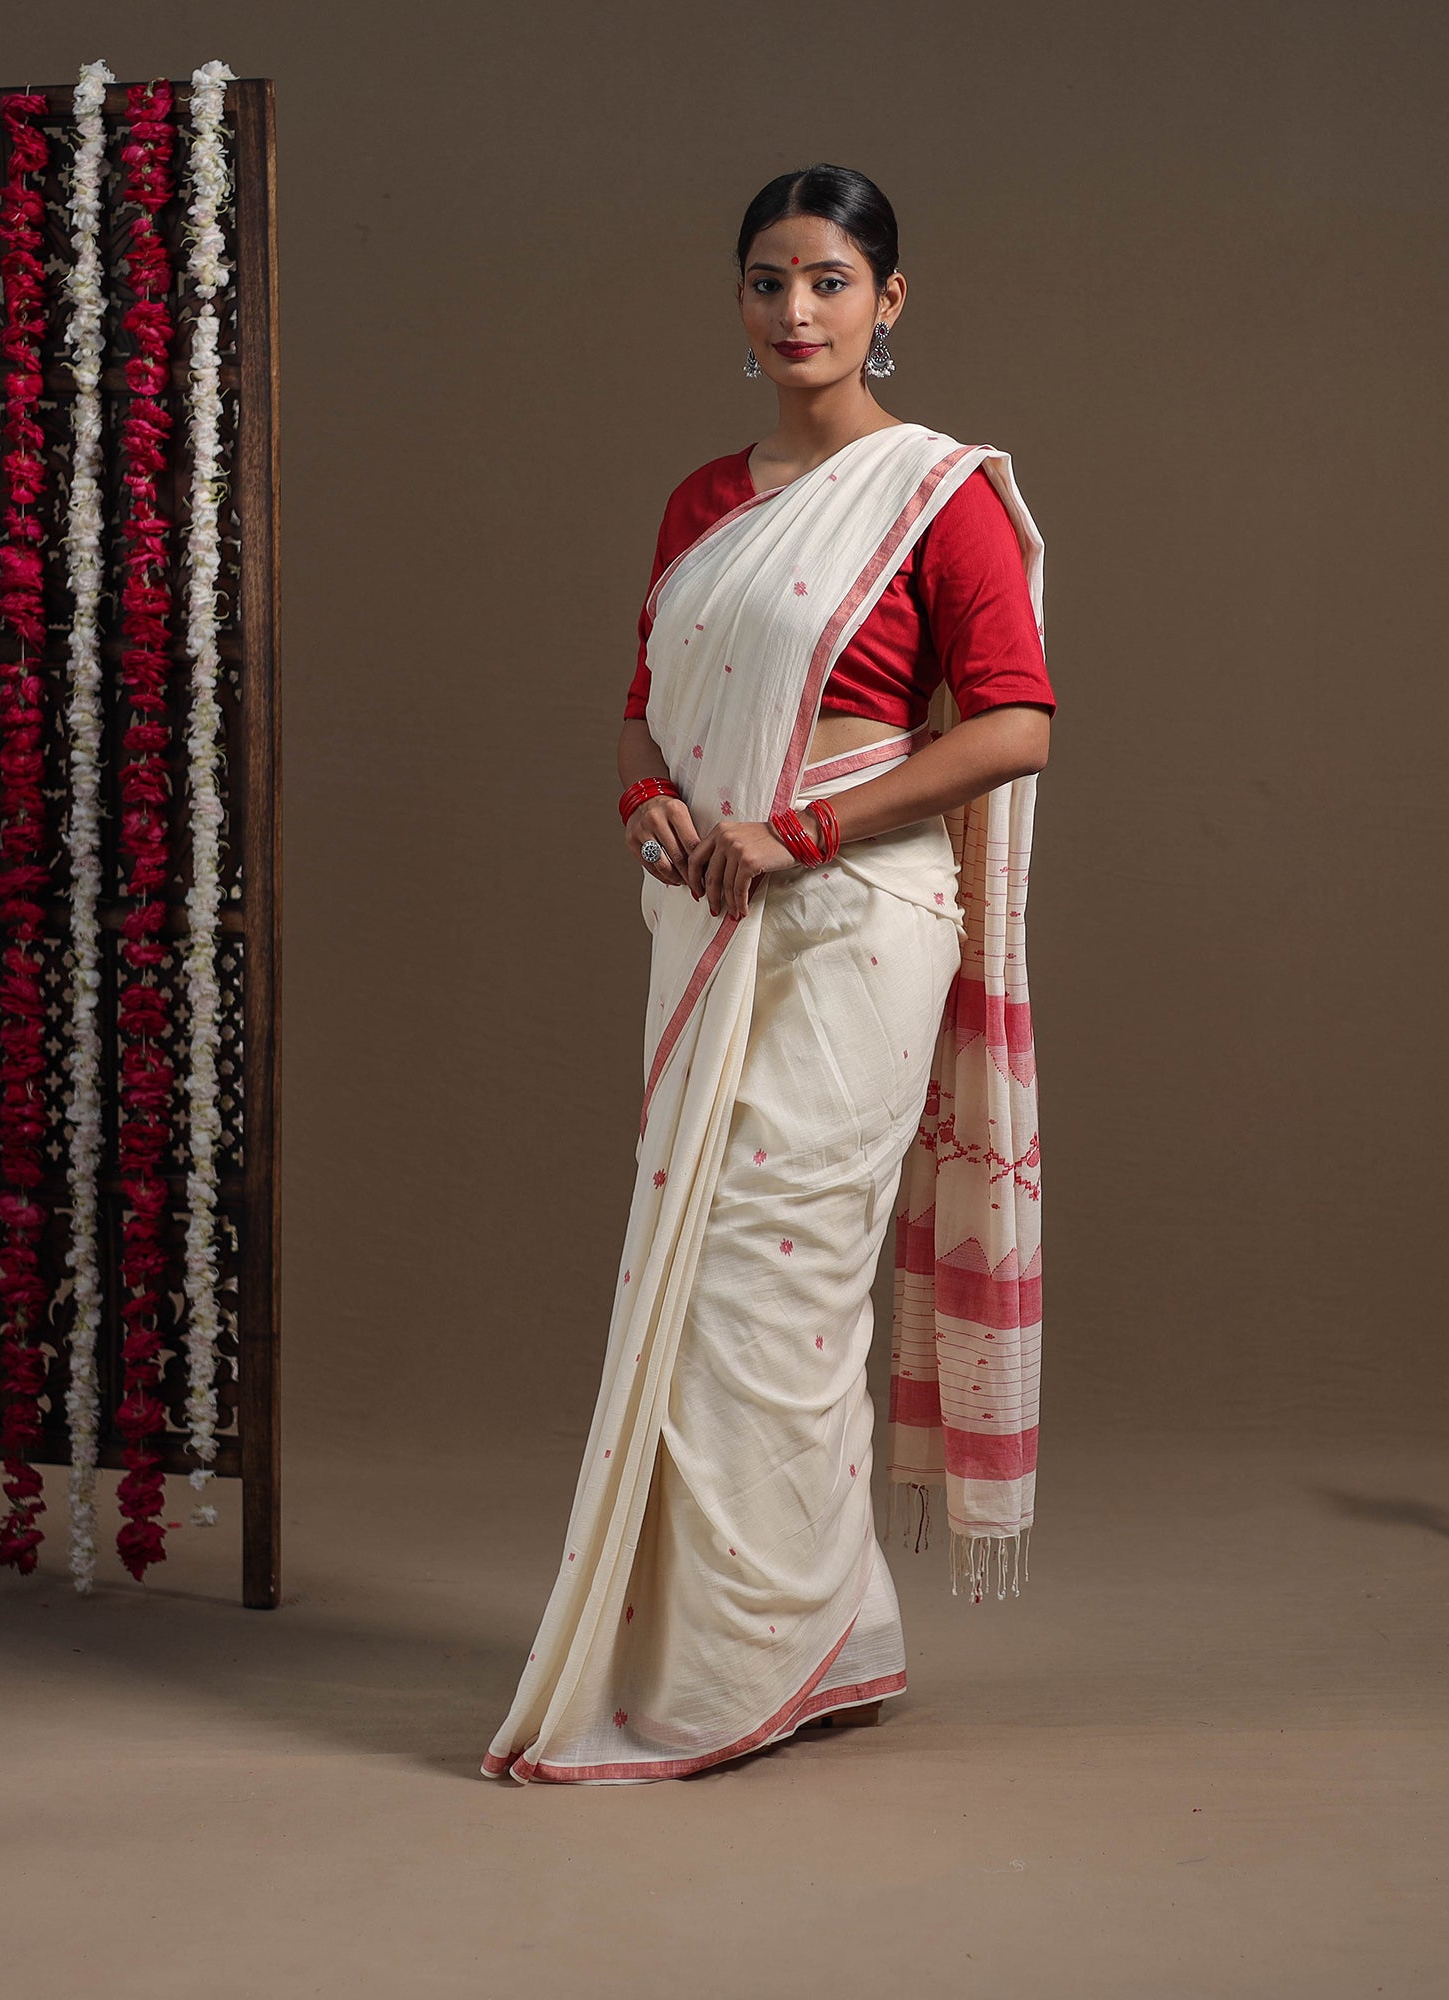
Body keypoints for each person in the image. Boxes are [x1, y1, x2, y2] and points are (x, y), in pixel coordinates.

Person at [481, 164, 1054, 1785]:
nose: (796, 310)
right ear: (739, 303)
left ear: (889, 299)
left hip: (859, 910)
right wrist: (645, 804)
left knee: (770, 1280)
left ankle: (739, 1668)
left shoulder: (935, 493)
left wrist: (805, 826)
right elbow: (643, 712)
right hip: (711, 908)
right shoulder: (701, 502)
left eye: (829, 279)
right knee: (716, 1282)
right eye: (766, 281)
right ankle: (829, 1636)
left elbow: (1015, 723)